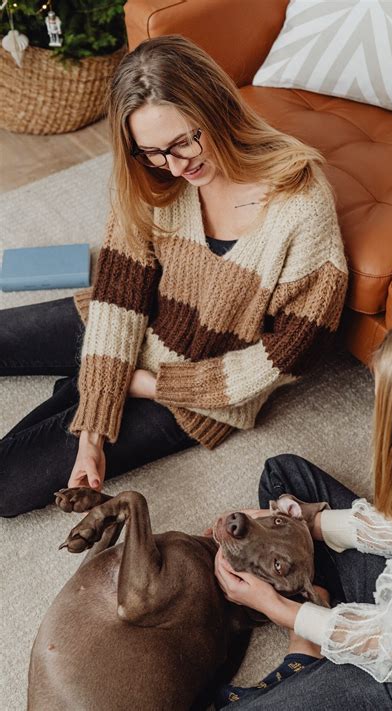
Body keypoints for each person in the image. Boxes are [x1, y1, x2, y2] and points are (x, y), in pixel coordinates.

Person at [0, 35, 348, 517]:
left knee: (7, 485)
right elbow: (119, 301)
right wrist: (94, 426)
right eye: (155, 151)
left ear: (216, 105)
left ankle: (79, 381)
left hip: (193, 392)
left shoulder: (299, 204)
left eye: (185, 140)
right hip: (128, 327)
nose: (178, 165)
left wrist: (151, 386)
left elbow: (289, 354)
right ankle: (83, 382)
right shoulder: (151, 175)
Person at [214, 309, 392, 711]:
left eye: (384, 408)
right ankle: (313, 615)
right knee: (285, 475)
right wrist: (312, 525)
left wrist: (279, 609)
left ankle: (303, 656)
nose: (376, 418)